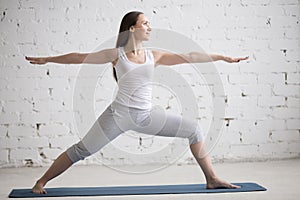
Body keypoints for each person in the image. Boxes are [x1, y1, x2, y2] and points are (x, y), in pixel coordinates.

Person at [26, 11, 248, 194]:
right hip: (118, 117)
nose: (149, 27)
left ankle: (212, 178)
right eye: (145, 23)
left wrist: (222, 57)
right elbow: (78, 57)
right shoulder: (117, 55)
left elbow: (190, 56)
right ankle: (41, 182)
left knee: (194, 130)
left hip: (146, 117)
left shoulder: (154, 56)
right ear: (132, 28)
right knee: (81, 150)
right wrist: (48, 59)